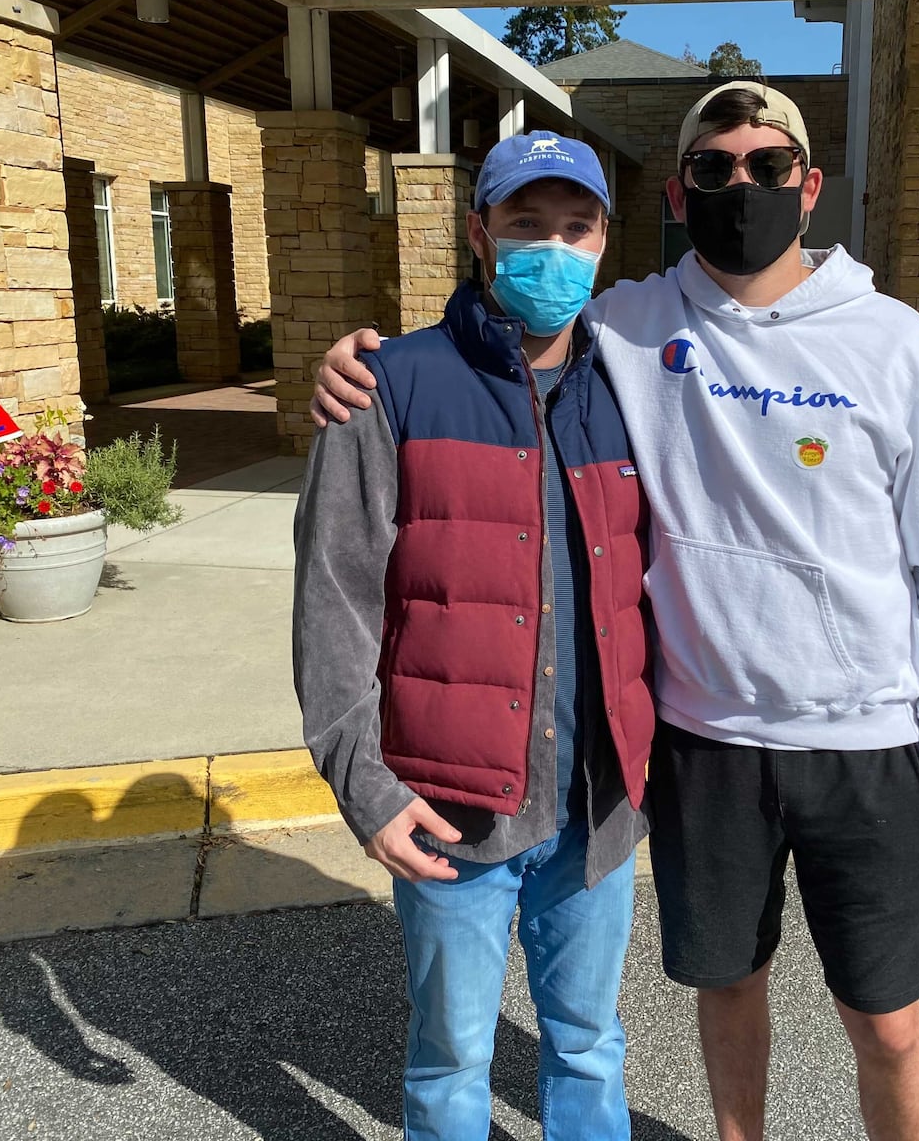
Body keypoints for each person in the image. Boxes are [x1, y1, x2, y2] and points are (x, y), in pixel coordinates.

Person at [311, 83, 919, 1141]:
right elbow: (346, 575)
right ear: (677, 194)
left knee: (887, 1024)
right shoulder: (627, 326)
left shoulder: (887, 342)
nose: (741, 187)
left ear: (808, 187)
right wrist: (354, 367)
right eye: (714, 169)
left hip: (856, 747)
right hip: (701, 747)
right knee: (710, 999)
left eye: (767, 167)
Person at [291, 130, 656, 1141]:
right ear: (478, 232)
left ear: (603, 243)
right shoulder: (390, 385)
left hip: (597, 804)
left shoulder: (639, 391)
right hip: (450, 813)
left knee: (587, 1041)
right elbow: (335, 595)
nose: (551, 247)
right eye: (524, 224)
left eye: (574, 227)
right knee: (451, 1058)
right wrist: (365, 786)